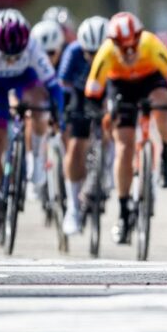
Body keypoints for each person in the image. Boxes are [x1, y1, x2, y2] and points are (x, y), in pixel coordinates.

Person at [0, 9, 64, 237]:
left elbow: (53, 87)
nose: (11, 60)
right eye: (6, 55)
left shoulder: (32, 45)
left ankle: (36, 160)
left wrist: (56, 114)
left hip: (24, 80)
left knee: (40, 106)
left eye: (16, 55)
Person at [85, 12, 167, 244]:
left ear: (139, 38)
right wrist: (100, 113)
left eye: (133, 46)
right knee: (124, 148)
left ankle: (165, 152)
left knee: (164, 103)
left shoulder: (151, 44)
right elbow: (93, 92)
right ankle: (124, 211)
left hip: (150, 81)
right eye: (123, 49)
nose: (130, 53)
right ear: (113, 44)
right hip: (121, 86)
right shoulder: (105, 53)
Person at [58, 16, 109, 235]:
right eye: (90, 53)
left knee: (112, 125)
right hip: (80, 94)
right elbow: (63, 85)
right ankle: (72, 206)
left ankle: (106, 169)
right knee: (76, 144)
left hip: (106, 91)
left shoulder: (113, 53)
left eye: (99, 54)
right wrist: (65, 113)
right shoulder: (72, 52)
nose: (94, 59)